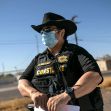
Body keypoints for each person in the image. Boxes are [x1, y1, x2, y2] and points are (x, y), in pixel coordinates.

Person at [18, 12, 104, 111]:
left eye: (48, 30)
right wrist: (33, 93)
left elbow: (94, 76)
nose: (43, 34)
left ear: (62, 32)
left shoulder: (76, 52)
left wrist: (67, 95)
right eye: (42, 31)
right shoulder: (38, 59)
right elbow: (22, 82)